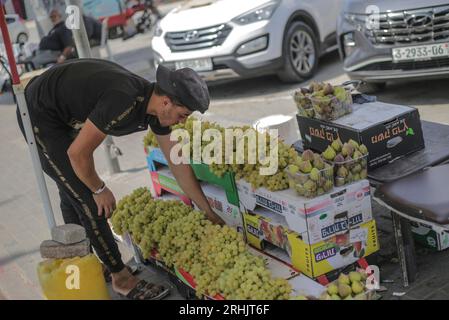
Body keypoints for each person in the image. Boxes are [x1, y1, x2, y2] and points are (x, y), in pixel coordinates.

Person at [17, 59, 225, 300]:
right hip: (39, 112)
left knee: (71, 190)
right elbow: (77, 154)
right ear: (167, 101)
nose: (183, 122)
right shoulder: (123, 100)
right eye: (183, 115)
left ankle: (91, 260)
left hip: (62, 108)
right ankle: (121, 277)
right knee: (89, 200)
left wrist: (208, 211)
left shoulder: (156, 110)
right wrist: (99, 187)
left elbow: (178, 165)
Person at [26, 9, 102, 69]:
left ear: (59, 16)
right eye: (51, 17)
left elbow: (69, 45)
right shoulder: (56, 28)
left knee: (31, 63)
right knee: (26, 60)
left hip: (52, 53)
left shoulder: (63, 28)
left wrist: (62, 57)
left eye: (54, 16)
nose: (53, 18)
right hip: (42, 51)